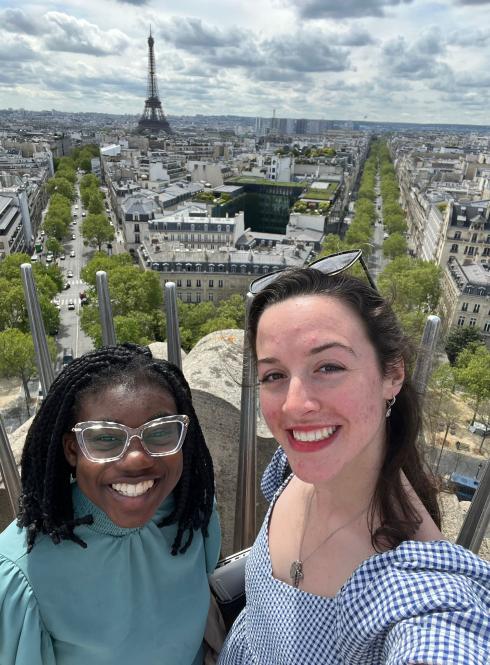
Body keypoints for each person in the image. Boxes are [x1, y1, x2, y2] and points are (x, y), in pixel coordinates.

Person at [219, 251, 490, 664]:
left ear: (392, 375)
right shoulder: (291, 470)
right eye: (274, 375)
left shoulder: (419, 586)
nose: (294, 405)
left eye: (328, 367)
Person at [0, 343, 221, 665]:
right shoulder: (21, 575)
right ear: (73, 450)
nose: (135, 459)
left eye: (159, 432)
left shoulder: (191, 514)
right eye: (105, 438)